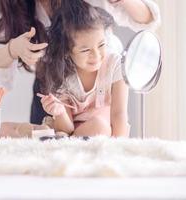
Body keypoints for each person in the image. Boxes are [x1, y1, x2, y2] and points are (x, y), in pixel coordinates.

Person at [0, 0, 160, 125]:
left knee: (100, 138)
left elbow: (148, 19)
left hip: (102, 86)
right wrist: (13, 49)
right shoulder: (17, 8)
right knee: (48, 155)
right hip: (52, 91)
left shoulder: (113, 69)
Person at [37, 0, 129, 137]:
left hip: (109, 136)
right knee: (97, 128)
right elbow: (66, 130)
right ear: (67, 51)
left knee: (101, 127)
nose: (96, 55)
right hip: (75, 135)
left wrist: (118, 149)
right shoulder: (63, 75)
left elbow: (119, 114)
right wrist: (59, 111)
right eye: (85, 50)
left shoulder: (115, 64)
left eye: (101, 44)